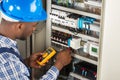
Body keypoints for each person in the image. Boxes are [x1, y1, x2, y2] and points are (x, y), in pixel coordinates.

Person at [0, 0, 72, 80]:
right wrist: (59, 64)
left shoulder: (5, 49)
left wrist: (26, 63)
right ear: (19, 26)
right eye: (33, 25)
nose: (34, 29)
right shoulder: (7, 62)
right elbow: (8, 66)